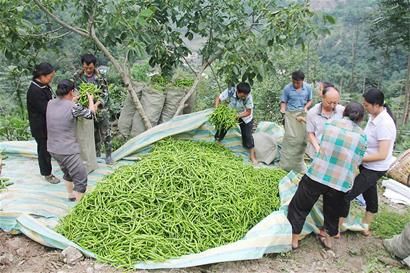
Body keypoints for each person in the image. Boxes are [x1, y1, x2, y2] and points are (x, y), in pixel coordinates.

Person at [287, 102, 367, 250]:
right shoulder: (362, 136)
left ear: (344, 113)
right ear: (360, 119)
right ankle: (328, 239)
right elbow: (357, 160)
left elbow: (323, 144)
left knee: (300, 206)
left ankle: (294, 240)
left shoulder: (330, 124)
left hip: (318, 174)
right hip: (340, 181)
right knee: (333, 212)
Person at [341, 88, 397, 236]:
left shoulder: (384, 124)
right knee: (370, 193)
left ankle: (339, 225)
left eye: (366, 105)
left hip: (375, 167)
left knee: (348, 193)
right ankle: (366, 226)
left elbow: (382, 154)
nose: (364, 108)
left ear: (377, 105)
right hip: (366, 163)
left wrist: (357, 157)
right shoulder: (374, 117)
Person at [46, 80, 96, 201]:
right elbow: (91, 114)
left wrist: (72, 101)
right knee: (81, 177)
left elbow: (62, 109)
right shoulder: (74, 107)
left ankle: (71, 195)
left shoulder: (50, 103)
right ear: (72, 92)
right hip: (67, 150)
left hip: (53, 149)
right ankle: (78, 210)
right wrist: (90, 99)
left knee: (68, 172)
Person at [73, 54, 112, 164]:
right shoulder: (77, 76)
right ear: (82, 66)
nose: (88, 70)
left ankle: (108, 155)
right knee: (91, 133)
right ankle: (96, 154)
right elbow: (75, 91)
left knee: (105, 132)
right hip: (86, 110)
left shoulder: (101, 77)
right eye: (86, 68)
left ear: (94, 66)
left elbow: (105, 93)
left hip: (101, 109)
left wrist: (96, 104)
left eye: (91, 68)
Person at [26, 63, 60, 184]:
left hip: (48, 124)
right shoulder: (35, 90)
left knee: (49, 147)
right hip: (40, 126)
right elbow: (47, 109)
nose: (51, 79)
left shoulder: (43, 85)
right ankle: (47, 173)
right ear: (41, 75)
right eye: (50, 77)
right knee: (44, 150)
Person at [214, 82, 258, 164]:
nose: (243, 97)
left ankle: (252, 156)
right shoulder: (231, 91)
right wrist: (217, 110)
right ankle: (217, 144)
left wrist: (236, 116)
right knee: (222, 128)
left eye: (245, 96)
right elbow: (218, 98)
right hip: (231, 112)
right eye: (242, 96)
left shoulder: (249, 97)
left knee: (247, 135)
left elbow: (248, 112)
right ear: (237, 91)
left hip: (245, 116)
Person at [279, 70, 313, 173]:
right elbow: (283, 102)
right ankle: (285, 165)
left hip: (302, 114)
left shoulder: (307, 88)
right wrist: (283, 110)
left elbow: (310, 100)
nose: (295, 84)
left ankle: (298, 165)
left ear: (302, 81)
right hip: (291, 115)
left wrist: (306, 108)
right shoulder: (287, 88)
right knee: (290, 138)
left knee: (302, 139)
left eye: (297, 83)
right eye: (293, 82)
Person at [306, 86, 345, 158]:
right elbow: (310, 133)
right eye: (329, 103)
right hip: (318, 150)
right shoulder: (312, 113)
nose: (332, 106)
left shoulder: (342, 111)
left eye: (335, 103)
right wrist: (317, 148)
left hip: (336, 151)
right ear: (323, 98)